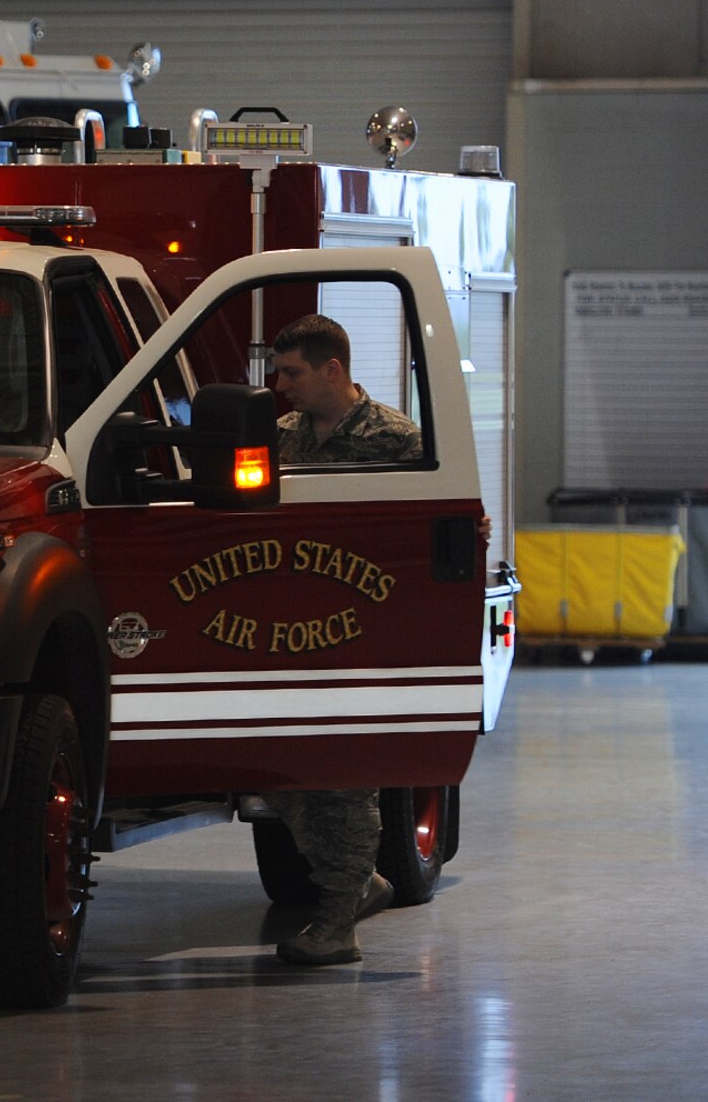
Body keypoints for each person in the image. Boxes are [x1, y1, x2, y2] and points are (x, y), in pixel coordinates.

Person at [262, 313, 422, 967]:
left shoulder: (397, 441)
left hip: (364, 630)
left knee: (347, 773)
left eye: (293, 371)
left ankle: (336, 925)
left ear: (333, 368)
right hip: (292, 626)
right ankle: (358, 881)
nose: (281, 385)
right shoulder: (277, 439)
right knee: (282, 770)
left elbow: (425, 527)